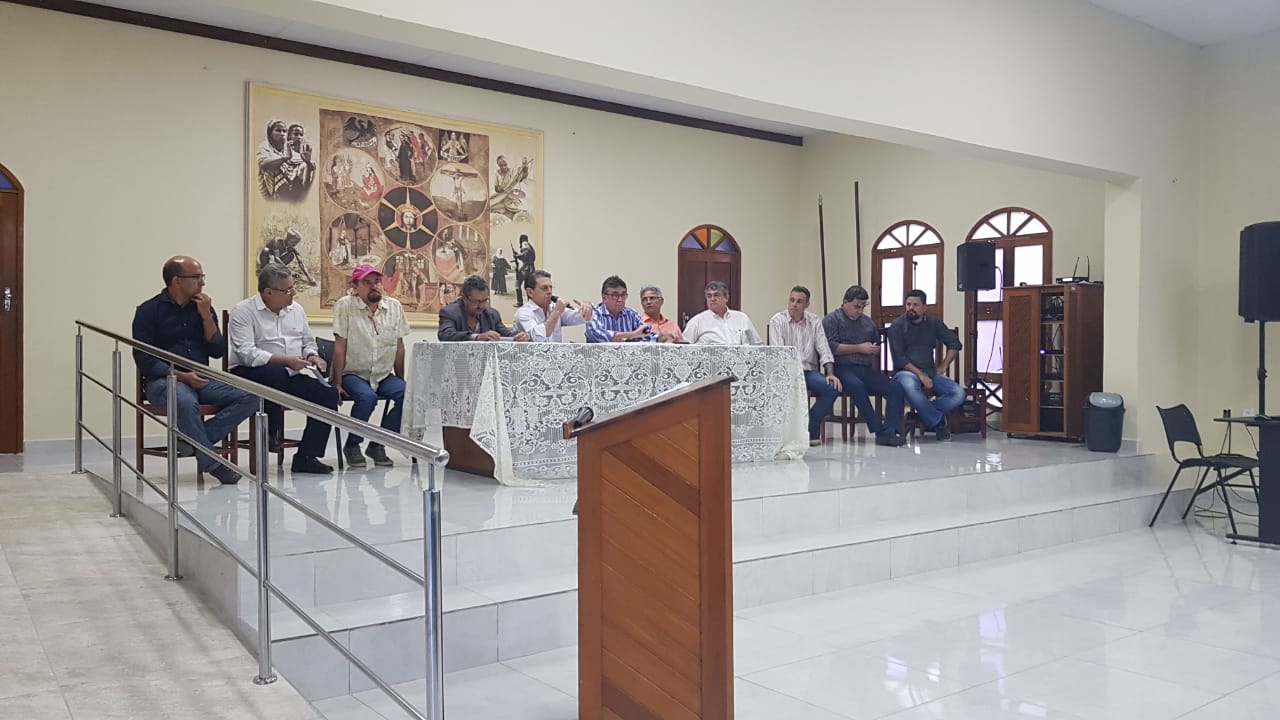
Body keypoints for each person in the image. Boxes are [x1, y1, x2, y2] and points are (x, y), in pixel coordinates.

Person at [131, 256, 256, 484]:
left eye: (202, 276)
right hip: (165, 380)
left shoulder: (203, 308)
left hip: (200, 378)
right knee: (186, 402)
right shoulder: (149, 310)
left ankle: (191, 441)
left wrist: (206, 317)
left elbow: (217, 350)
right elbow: (143, 357)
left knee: (252, 396)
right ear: (177, 281)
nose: (202, 282)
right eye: (196, 277)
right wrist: (180, 375)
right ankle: (213, 463)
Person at [228, 263, 340, 474]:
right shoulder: (243, 311)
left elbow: (308, 342)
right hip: (249, 373)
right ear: (268, 292)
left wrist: (312, 356)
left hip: (289, 374)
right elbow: (246, 353)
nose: (293, 294)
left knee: (327, 395)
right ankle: (272, 431)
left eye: (293, 287)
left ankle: (306, 457)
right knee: (275, 373)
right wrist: (284, 360)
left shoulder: (296, 310)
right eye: (288, 290)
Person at [330, 264, 410, 468]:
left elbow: (399, 348)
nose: (374, 286)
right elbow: (340, 347)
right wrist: (336, 383)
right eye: (367, 283)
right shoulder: (345, 305)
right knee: (367, 398)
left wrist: (400, 379)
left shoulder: (394, 307)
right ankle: (352, 445)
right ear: (355, 286)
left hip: (383, 374)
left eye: (377, 281)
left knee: (408, 396)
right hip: (353, 373)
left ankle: (377, 444)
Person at [822, 285, 906, 447]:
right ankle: (878, 430)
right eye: (856, 306)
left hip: (865, 368)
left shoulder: (867, 322)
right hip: (842, 368)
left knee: (895, 388)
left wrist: (874, 349)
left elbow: (875, 342)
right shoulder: (832, 319)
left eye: (862, 307)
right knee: (857, 386)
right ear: (845, 302)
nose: (859, 311)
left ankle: (890, 430)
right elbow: (830, 347)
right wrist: (859, 348)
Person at [768, 286, 842, 447]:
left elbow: (824, 348)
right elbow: (778, 353)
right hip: (787, 372)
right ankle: (790, 434)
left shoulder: (814, 321)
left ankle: (810, 426)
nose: (794, 304)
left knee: (832, 387)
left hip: (808, 372)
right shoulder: (777, 320)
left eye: (799, 302)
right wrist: (789, 374)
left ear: (807, 305)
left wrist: (830, 373)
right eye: (792, 300)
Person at [888, 289, 965, 441]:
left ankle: (921, 415)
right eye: (908, 304)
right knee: (911, 388)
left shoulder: (933, 323)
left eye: (915, 305)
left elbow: (955, 343)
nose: (911, 308)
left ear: (925, 307)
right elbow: (900, 359)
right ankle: (938, 422)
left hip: (930, 372)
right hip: (905, 372)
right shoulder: (897, 326)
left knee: (958, 393)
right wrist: (921, 375)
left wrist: (944, 365)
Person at [438, 275, 530, 341]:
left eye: (485, 300)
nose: (481, 306)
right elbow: (445, 335)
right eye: (477, 301)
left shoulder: (492, 314)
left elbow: (506, 334)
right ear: (464, 298)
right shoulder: (449, 312)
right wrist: (476, 337)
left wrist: (519, 336)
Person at [513, 270, 593, 342]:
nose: (550, 292)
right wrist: (556, 312)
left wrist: (587, 308)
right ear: (530, 292)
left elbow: (582, 317)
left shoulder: (554, 307)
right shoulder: (523, 313)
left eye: (551, 288)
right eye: (544, 288)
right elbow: (538, 337)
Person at [683, 281, 762, 345]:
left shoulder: (742, 318)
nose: (712, 299)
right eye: (709, 296)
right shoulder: (697, 321)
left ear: (726, 297)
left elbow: (758, 345)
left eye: (716, 295)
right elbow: (684, 347)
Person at [585, 276, 657, 343]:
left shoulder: (631, 314)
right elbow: (600, 336)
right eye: (615, 295)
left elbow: (647, 334)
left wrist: (660, 338)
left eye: (623, 295)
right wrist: (633, 334)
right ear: (604, 298)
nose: (620, 299)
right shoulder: (594, 313)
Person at [511, 235, 536, 307]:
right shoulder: (529, 245)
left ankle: (520, 302)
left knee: (518, 284)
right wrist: (517, 255)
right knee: (528, 286)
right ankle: (530, 303)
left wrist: (517, 256)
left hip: (526, 268)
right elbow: (525, 256)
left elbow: (525, 255)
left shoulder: (525, 244)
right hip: (530, 268)